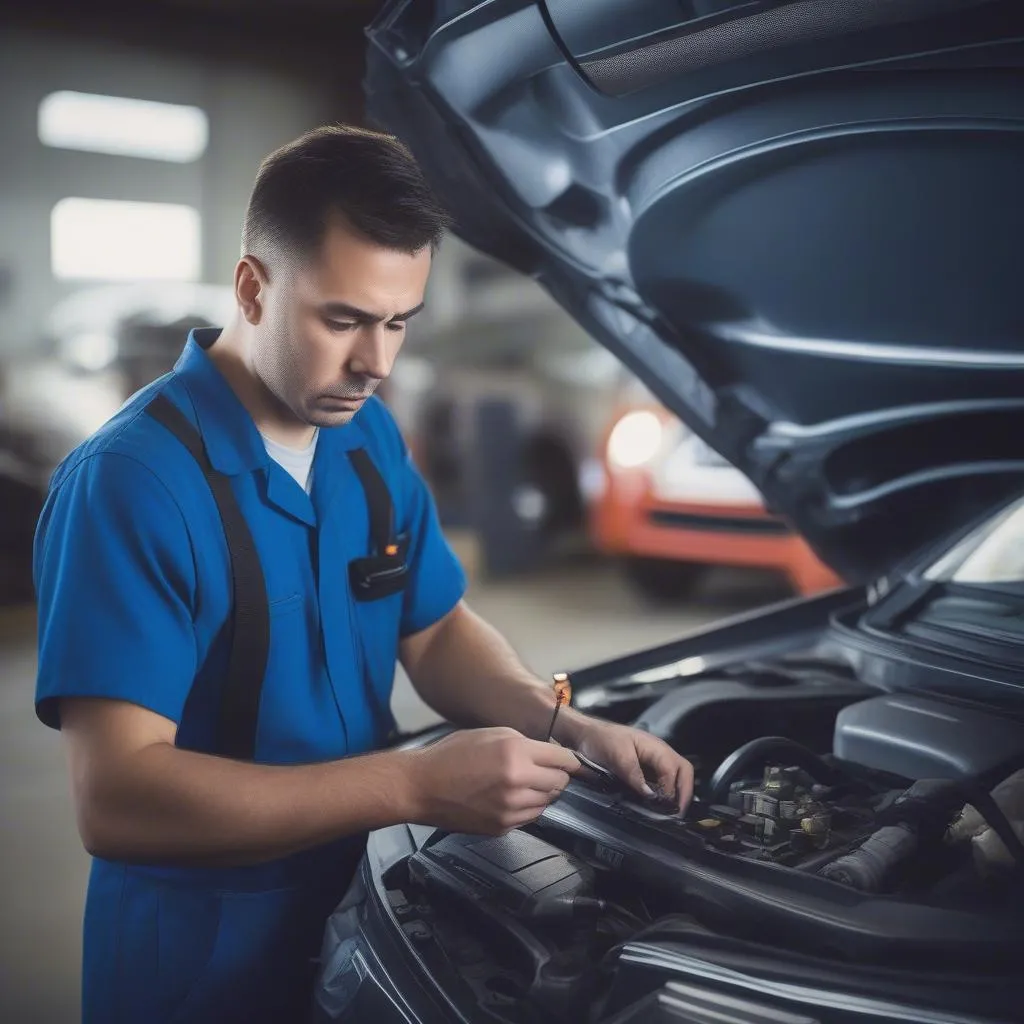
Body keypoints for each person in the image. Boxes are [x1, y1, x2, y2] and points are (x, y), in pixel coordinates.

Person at [33, 125, 694, 1024]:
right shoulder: (132, 485)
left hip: (370, 909)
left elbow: (433, 628)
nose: (376, 363)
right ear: (252, 288)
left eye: (396, 324)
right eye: (341, 320)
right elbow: (117, 799)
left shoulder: (368, 439)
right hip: (199, 958)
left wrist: (562, 721)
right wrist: (414, 786)